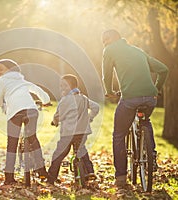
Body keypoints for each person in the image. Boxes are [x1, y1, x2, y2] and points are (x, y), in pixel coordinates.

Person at [101, 29, 168, 188]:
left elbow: (107, 75)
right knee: (146, 120)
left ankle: (121, 178)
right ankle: (151, 155)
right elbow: (163, 69)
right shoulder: (138, 51)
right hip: (151, 98)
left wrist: (109, 92)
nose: (104, 43)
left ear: (112, 39)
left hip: (130, 98)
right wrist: (156, 89)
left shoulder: (109, 50)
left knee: (119, 135)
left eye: (105, 40)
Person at [0, 59, 51, 185]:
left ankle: (9, 177)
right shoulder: (23, 81)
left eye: (1, 69)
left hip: (15, 112)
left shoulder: (3, 80)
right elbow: (38, 90)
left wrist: (2, 103)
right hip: (31, 110)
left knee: (12, 144)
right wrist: (46, 101)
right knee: (33, 138)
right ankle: (41, 170)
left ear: (9, 70)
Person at [47, 74, 99, 185]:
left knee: (59, 154)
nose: (62, 88)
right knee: (82, 151)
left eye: (65, 86)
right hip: (82, 132)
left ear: (72, 86)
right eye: (61, 86)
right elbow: (96, 107)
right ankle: (89, 172)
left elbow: (58, 116)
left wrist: (55, 122)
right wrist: (89, 118)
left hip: (68, 134)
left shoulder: (65, 100)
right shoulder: (84, 98)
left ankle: (51, 178)